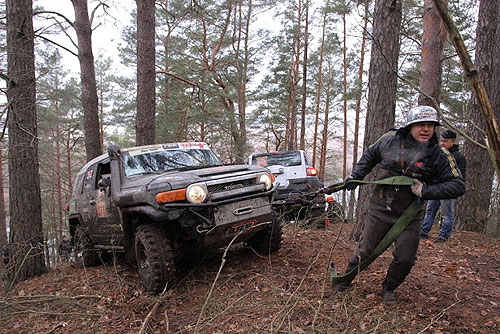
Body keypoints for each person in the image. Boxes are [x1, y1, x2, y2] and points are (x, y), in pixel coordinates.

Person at [334, 106, 464, 304]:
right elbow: (370, 155)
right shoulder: (389, 140)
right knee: (365, 251)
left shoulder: (439, 154)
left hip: (409, 215)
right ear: (410, 126)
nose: (425, 129)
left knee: (406, 257)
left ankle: (389, 288)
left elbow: (457, 185)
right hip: (380, 207)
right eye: (420, 125)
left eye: (430, 125)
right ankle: (344, 280)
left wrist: (426, 191)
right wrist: (356, 176)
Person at [421, 130, 466, 243]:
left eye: (445, 141)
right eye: (441, 140)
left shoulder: (458, 157)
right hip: (436, 188)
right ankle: (424, 232)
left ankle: (444, 236)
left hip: (447, 190)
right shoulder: (439, 154)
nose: (442, 143)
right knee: (430, 211)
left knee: (446, 214)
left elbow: (460, 176)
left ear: (453, 142)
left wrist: (452, 189)